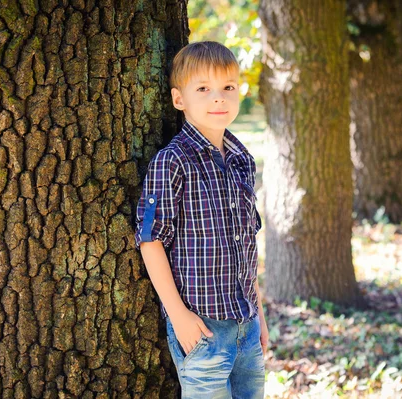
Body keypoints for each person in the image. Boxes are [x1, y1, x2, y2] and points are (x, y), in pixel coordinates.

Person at [134, 41, 267, 398]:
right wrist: (177, 315)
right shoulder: (172, 162)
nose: (218, 99)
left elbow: (246, 243)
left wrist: (259, 316)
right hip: (201, 328)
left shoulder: (242, 159)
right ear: (180, 100)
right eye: (203, 89)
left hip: (247, 325)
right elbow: (150, 240)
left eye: (227, 88)